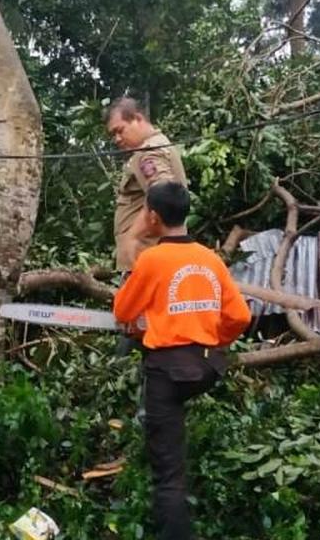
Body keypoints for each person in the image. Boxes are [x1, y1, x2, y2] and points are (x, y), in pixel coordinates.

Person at [113, 182, 251, 540]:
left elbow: (123, 311)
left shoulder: (153, 259)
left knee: (168, 475)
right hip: (205, 367)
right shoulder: (210, 259)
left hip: (167, 372)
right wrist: (215, 338)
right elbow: (240, 316)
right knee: (171, 420)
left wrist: (131, 243)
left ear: (153, 217)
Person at [105, 97, 187, 273]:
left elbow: (164, 196)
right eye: (113, 135)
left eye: (120, 130)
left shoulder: (148, 153)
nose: (117, 139)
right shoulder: (159, 144)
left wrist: (132, 237)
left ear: (138, 118)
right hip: (155, 257)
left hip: (148, 259)